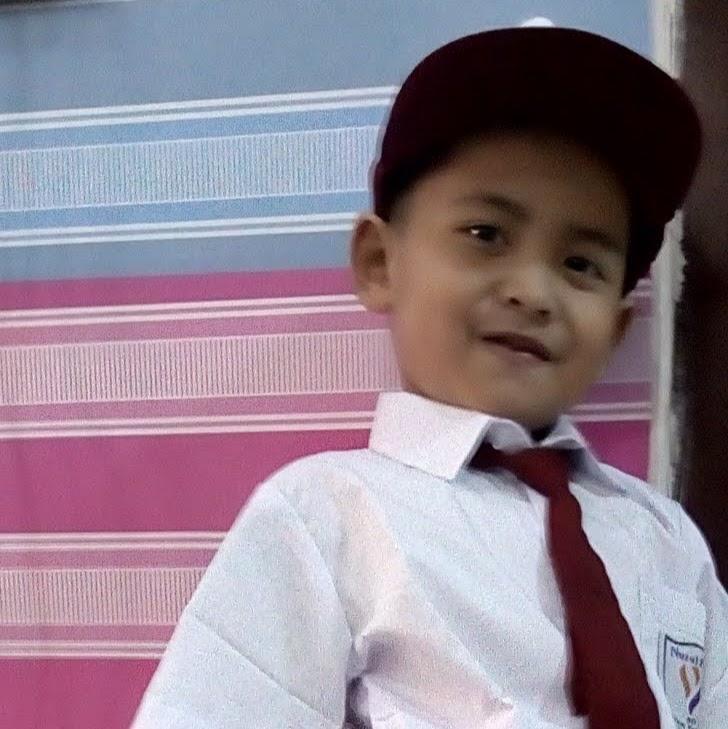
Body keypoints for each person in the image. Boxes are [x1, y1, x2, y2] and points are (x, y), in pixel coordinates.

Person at [131, 27, 727, 728]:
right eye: (485, 234)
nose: (534, 291)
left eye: (581, 264)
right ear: (379, 263)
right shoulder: (326, 515)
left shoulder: (666, 538)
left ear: (618, 328)